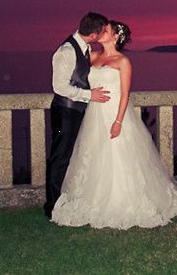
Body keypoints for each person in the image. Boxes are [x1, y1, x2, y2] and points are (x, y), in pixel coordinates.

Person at [51, 20, 177, 229]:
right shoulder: (92, 57)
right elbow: (72, 72)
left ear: (115, 37)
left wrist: (118, 121)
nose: (101, 31)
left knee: (119, 157)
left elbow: (125, 95)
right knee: (94, 156)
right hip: (94, 114)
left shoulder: (123, 61)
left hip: (115, 114)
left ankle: (123, 200)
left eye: (106, 30)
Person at [43, 12, 110, 218]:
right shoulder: (66, 51)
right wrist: (90, 95)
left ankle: (67, 198)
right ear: (93, 34)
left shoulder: (85, 48)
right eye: (102, 32)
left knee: (73, 156)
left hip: (77, 111)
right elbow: (59, 86)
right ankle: (52, 206)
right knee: (60, 157)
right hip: (65, 112)